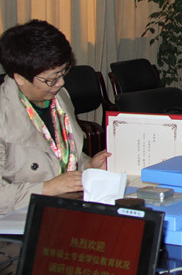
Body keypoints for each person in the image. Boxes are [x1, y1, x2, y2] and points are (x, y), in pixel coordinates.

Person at [0, 20, 109, 214]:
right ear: (20, 78)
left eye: (63, 72)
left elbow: (62, 155)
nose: (61, 83)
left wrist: (88, 166)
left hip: (65, 209)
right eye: (51, 79)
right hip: (20, 217)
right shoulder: (4, 115)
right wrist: (47, 188)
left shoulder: (59, 97)